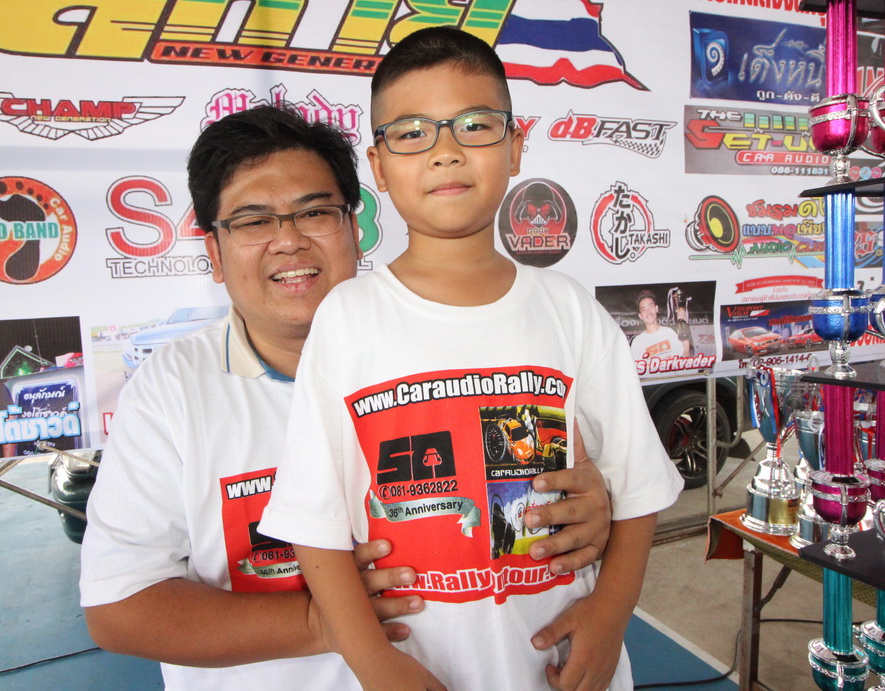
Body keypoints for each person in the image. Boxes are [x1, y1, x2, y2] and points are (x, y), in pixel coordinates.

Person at [79, 105, 614, 689]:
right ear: (213, 252)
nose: (289, 241)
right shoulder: (172, 390)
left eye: (315, 212)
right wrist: (329, 621)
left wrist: (590, 517)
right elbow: (119, 608)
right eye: (254, 221)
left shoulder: (464, 348)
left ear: (356, 230)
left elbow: (538, 508)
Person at [258, 27, 683, 691]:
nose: (445, 151)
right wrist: (374, 662)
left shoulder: (569, 309)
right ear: (377, 166)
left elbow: (637, 489)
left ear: (514, 146)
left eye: (475, 125)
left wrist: (608, 617)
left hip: (559, 663)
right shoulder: (347, 317)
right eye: (411, 132)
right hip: (415, 666)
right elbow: (314, 521)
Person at [630, 289, 690, 360]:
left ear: (656, 308)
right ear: (640, 316)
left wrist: (683, 321)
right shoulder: (637, 342)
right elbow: (635, 366)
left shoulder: (669, 332)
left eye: (650, 306)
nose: (648, 312)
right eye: (643, 309)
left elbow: (685, 353)